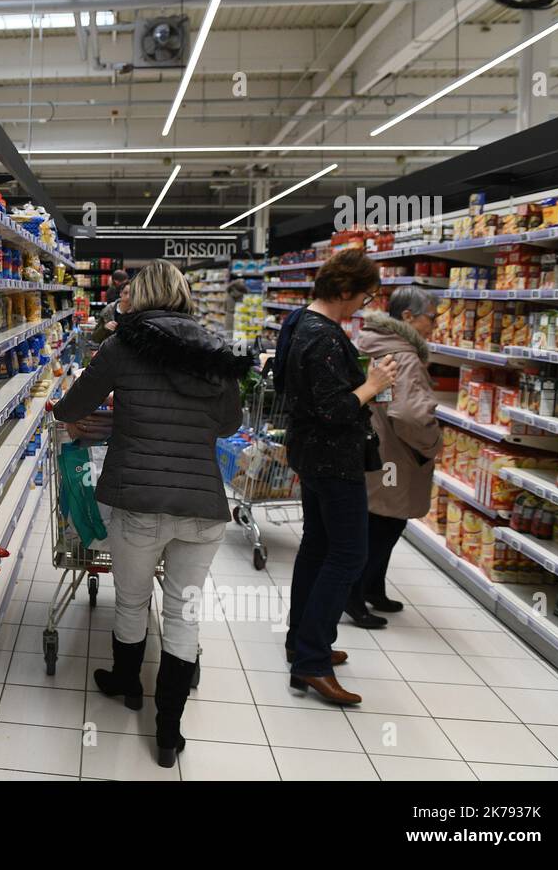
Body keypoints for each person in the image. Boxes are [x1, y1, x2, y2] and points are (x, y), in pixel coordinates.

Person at [53, 259, 249, 767]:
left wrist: (122, 412)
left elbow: (71, 409)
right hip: (203, 507)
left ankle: (126, 684)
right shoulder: (216, 351)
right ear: (185, 297)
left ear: (135, 299)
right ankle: (168, 733)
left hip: (138, 501)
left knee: (132, 602)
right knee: (183, 613)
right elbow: (229, 424)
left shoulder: (123, 346)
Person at [277, 250, 396, 706]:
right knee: (349, 555)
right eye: (363, 296)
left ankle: (304, 641)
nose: (362, 305)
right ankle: (310, 661)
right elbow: (334, 410)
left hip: (310, 454)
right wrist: (373, 383)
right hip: (334, 459)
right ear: (344, 290)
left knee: (317, 547)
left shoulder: (297, 322)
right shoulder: (323, 337)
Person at [349, 286, 443, 625]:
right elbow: (408, 415)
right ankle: (354, 596)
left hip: (375, 447)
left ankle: (372, 589)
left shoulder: (376, 343)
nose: (434, 324)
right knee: (384, 527)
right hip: (395, 453)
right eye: (431, 317)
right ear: (407, 317)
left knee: (378, 520)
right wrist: (433, 443)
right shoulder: (405, 356)